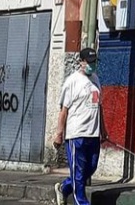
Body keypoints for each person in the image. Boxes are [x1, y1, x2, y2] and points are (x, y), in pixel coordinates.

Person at [54, 47, 106, 205]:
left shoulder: (95, 79)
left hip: (93, 134)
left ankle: (64, 187)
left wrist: (103, 130)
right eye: (89, 62)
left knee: (90, 167)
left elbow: (99, 107)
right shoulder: (72, 82)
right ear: (81, 62)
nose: (92, 65)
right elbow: (64, 111)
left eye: (94, 62)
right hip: (76, 134)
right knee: (78, 172)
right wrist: (59, 134)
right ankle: (81, 202)